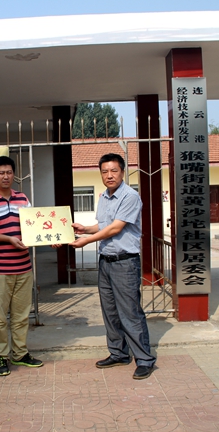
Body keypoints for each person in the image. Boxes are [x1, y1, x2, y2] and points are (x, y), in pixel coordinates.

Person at [69, 153, 157, 380]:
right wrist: (85, 229)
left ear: (122, 172)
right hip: (106, 261)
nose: (109, 175)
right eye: (105, 171)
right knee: (110, 312)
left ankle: (144, 359)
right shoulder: (104, 197)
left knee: (130, 312)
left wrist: (87, 241)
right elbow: (103, 225)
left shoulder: (130, 196)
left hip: (125, 262)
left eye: (114, 171)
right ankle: (118, 353)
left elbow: (116, 228)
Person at [0, 156, 43, 376]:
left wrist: (48, 238)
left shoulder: (22, 198)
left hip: (23, 267)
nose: (6, 176)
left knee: (22, 315)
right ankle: (1, 356)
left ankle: (20, 353)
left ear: (14, 174)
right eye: (1, 173)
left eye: (9, 172)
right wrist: (8, 239)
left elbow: (34, 226)